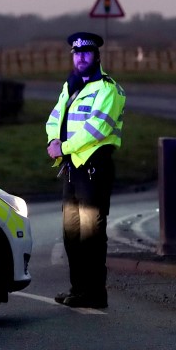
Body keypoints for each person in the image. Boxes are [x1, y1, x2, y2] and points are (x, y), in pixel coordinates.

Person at [46, 31, 126, 309]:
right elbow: (54, 117)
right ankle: (78, 289)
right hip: (72, 169)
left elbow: (95, 130)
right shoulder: (70, 87)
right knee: (71, 233)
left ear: (97, 56)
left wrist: (63, 147)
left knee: (91, 234)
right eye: (76, 53)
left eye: (86, 53)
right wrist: (52, 140)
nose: (81, 58)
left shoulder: (107, 90)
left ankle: (95, 293)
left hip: (94, 168)